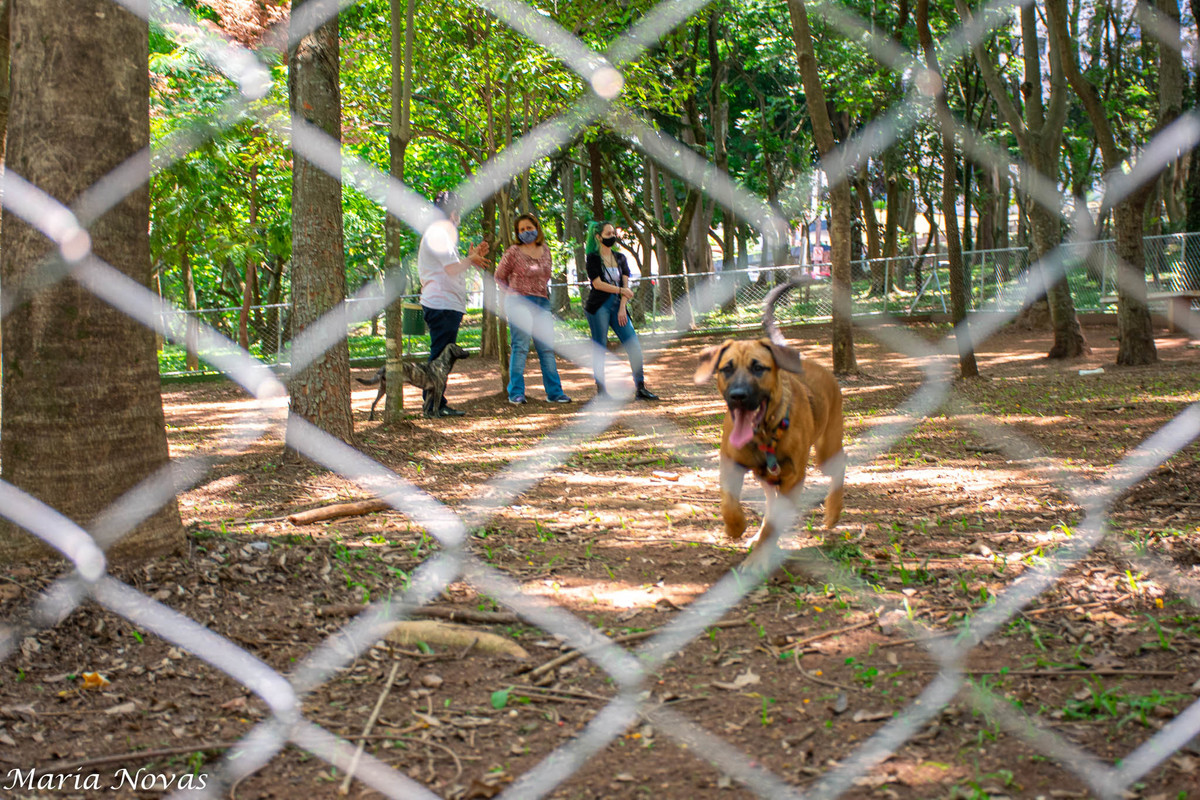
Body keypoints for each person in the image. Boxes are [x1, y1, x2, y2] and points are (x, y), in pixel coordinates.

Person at [417, 191, 489, 417]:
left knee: (442, 356)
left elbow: (452, 267)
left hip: (446, 303)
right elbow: (451, 269)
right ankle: (433, 405)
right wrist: (471, 260)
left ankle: (435, 403)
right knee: (441, 357)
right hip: (441, 304)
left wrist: (471, 259)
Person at [495, 213, 572, 405]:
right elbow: (499, 276)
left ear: (536, 228)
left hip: (541, 302)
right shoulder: (513, 251)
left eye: (529, 228)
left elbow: (546, 276)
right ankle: (516, 393)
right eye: (521, 230)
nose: (525, 232)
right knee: (520, 348)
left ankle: (555, 393)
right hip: (518, 302)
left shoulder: (545, 250)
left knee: (546, 348)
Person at [583, 220, 659, 400]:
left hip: (619, 305)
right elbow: (597, 284)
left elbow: (626, 285)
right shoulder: (593, 258)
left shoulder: (620, 258)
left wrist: (622, 307)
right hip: (598, 306)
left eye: (613, 233)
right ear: (598, 237)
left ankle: (640, 387)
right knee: (600, 346)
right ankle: (601, 391)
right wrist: (620, 290)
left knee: (633, 344)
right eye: (608, 234)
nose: (612, 237)